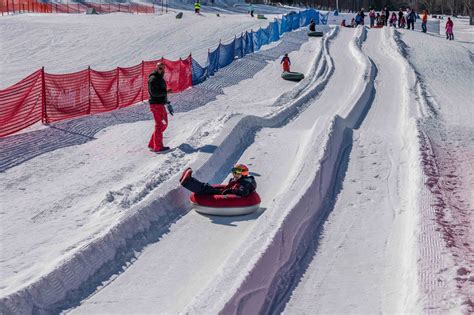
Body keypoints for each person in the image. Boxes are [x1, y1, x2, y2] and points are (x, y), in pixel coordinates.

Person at [179, 164, 257, 197]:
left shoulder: (246, 183)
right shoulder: (235, 180)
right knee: (207, 187)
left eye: (237, 172)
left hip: (227, 197)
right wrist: (228, 190)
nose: (234, 174)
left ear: (243, 174)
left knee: (206, 189)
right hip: (225, 193)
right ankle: (188, 180)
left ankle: (187, 182)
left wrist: (230, 191)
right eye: (233, 171)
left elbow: (243, 192)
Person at [148, 62, 171, 153]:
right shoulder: (153, 79)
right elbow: (154, 93)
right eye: (160, 68)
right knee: (160, 124)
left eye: (163, 68)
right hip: (156, 105)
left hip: (160, 104)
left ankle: (152, 144)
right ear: (156, 68)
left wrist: (166, 100)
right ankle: (157, 147)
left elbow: (160, 91)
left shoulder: (159, 77)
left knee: (163, 124)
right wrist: (166, 92)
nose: (162, 70)